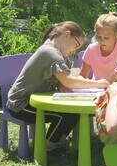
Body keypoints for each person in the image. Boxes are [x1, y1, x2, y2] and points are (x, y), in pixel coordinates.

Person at [7, 21, 109, 152]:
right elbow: (69, 81)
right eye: (76, 45)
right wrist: (99, 83)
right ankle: (49, 146)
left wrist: (61, 83)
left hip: (33, 101)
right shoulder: (49, 52)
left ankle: (60, 141)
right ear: (66, 35)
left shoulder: (59, 53)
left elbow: (65, 79)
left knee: (74, 111)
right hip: (21, 104)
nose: (75, 51)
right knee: (66, 114)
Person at [79, 12, 117, 82]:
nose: (102, 41)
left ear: (116, 35)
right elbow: (82, 76)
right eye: (98, 37)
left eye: (106, 38)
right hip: (97, 87)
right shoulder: (91, 49)